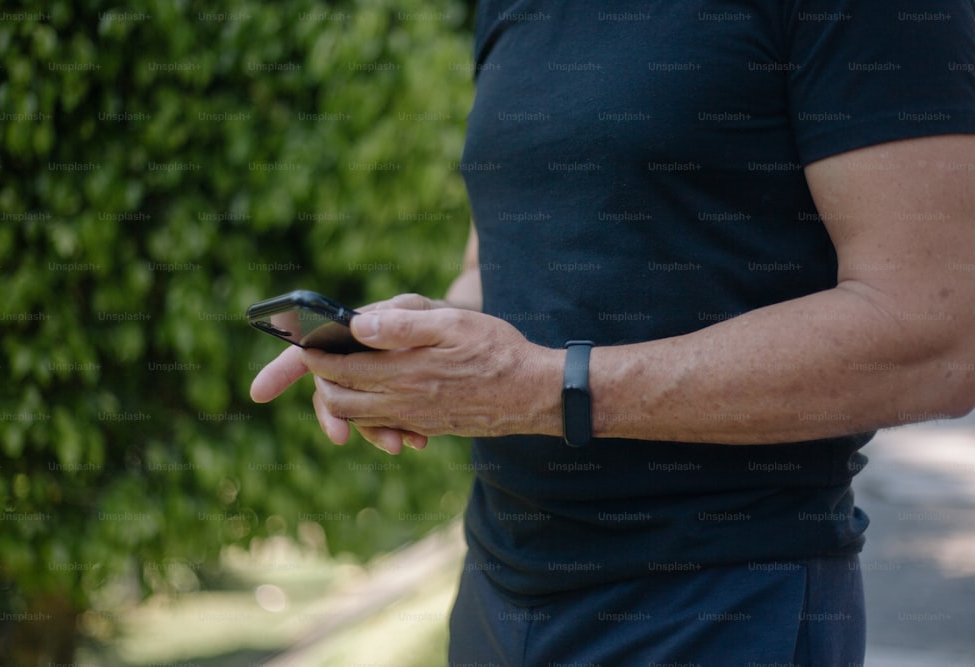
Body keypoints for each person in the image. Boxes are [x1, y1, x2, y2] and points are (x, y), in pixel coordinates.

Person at [251, 1, 975, 664]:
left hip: (719, 604)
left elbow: (939, 336)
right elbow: (498, 263)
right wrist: (405, 341)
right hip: (497, 593)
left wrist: (550, 389)